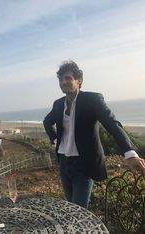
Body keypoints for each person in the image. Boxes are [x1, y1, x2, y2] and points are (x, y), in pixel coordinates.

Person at [43, 60, 145, 209]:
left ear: (79, 81)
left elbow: (112, 124)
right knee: (70, 206)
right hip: (64, 163)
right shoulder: (58, 104)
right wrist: (55, 139)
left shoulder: (92, 100)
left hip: (83, 164)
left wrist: (130, 153)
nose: (63, 82)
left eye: (68, 78)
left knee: (79, 210)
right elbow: (47, 122)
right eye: (61, 79)